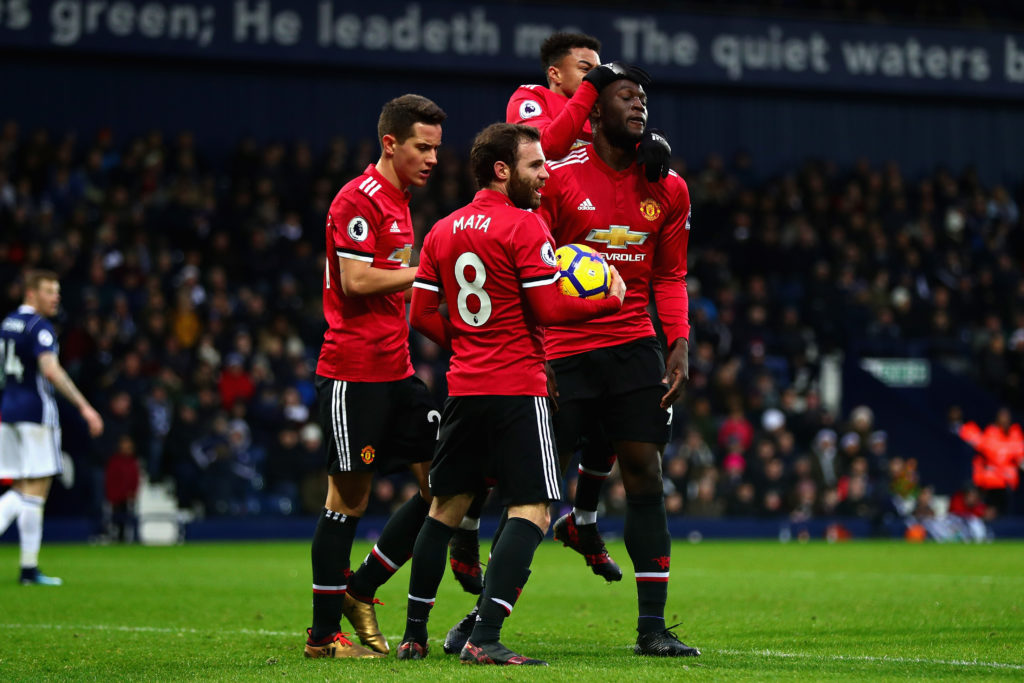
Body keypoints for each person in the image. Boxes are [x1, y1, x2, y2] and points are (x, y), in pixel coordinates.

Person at [447, 66, 698, 658]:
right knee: (533, 491)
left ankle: (652, 628)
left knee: (647, 475)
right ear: (594, 110)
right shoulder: (554, 182)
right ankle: (481, 621)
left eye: (643, 98)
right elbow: (527, 271)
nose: (638, 106)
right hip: (564, 352)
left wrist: (679, 341)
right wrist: (539, 349)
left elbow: (669, 273)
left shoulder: (669, 186)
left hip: (636, 345)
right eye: (625, 96)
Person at [396, 122, 624, 665]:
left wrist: (475, 341)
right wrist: (608, 301)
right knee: (534, 507)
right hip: (518, 388)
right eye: (535, 165)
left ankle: (413, 636)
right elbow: (549, 309)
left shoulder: (442, 230)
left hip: (463, 388)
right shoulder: (525, 227)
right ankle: (485, 638)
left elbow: (424, 314)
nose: (546, 175)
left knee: (444, 508)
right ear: (502, 170)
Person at [303, 94, 447, 660]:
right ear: (391, 144)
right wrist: (426, 271)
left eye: (437, 147)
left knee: (447, 481)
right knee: (350, 498)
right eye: (422, 147)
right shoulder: (357, 201)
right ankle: (321, 638)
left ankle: (361, 588)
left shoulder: (402, 200)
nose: (433, 158)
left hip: (398, 370)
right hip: (352, 374)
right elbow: (357, 281)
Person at [0, 269, 104, 585]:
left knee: (26, 488)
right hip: (35, 414)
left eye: (57, 291)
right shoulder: (39, 328)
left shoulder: (7, 324)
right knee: (33, 488)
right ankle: (29, 568)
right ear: (31, 293)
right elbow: (51, 370)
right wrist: (85, 407)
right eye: (49, 291)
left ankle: (29, 569)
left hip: (8, 412)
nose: (56, 297)